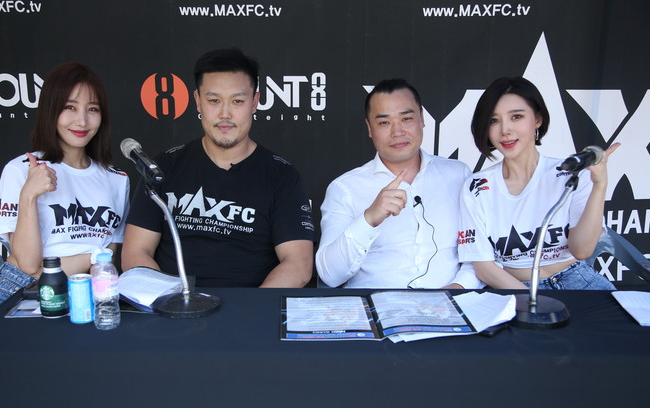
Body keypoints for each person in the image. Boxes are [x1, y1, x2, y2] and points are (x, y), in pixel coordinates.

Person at [122, 48, 314, 287]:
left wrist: (250, 307)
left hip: (249, 305)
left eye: (237, 101)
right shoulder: (163, 167)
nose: (225, 114)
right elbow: (135, 253)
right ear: (197, 101)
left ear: (254, 102)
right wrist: (170, 300)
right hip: (172, 303)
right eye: (214, 101)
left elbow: (298, 264)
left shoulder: (282, 175)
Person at [0, 62, 130, 324]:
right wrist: (29, 194)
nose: (82, 121)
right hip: (22, 288)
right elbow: (28, 265)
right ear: (50, 110)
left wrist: (92, 264)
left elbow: (107, 262)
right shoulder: (22, 169)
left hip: (86, 291)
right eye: (70, 107)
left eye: (92, 109)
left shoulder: (117, 179)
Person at [316, 79, 480, 289]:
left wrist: (458, 288)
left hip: (452, 304)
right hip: (375, 306)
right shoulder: (345, 188)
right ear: (369, 128)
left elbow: (480, 253)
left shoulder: (459, 175)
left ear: (422, 119)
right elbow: (329, 275)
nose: (397, 132)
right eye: (384, 123)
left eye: (406, 119)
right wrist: (368, 219)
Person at [458, 76, 618, 290]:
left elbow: (582, 251)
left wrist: (599, 185)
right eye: (494, 120)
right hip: (513, 287)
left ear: (538, 120)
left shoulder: (572, 172)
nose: (505, 130)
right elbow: (483, 267)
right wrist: (532, 300)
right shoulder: (477, 186)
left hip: (578, 281)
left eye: (516, 117)